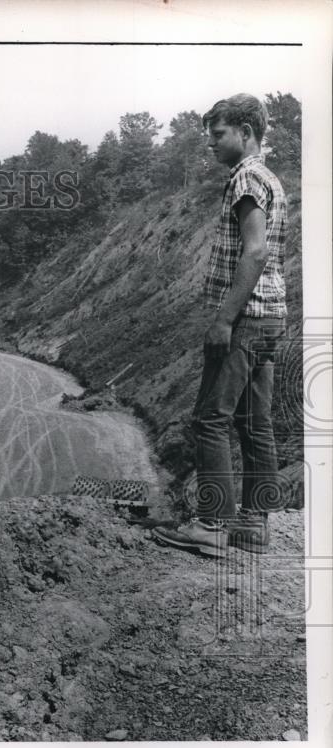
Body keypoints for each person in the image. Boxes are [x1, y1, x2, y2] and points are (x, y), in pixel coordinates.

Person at [153, 93, 288, 558]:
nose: (211, 143)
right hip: (271, 316)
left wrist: (223, 319)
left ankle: (212, 525)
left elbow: (254, 252)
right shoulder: (271, 178)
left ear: (245, 133)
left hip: (247, 318)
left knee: (210, 418)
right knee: (256, 421)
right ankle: (253, 525)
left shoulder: (247, 178)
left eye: (219, 134)